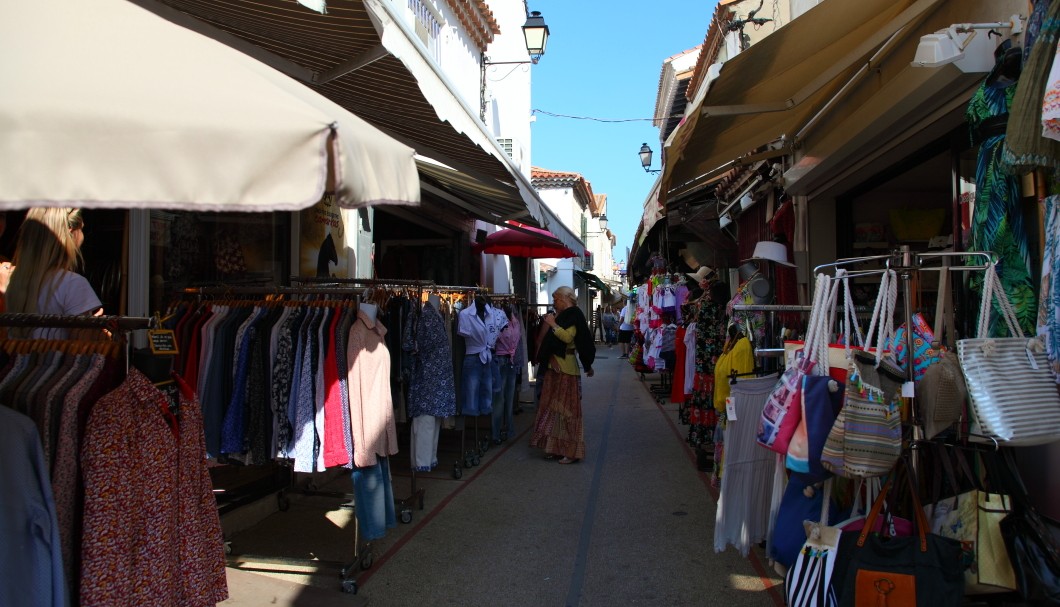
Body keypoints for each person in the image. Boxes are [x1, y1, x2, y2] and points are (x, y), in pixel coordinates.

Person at [6, 208, 102, 339]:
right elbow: (83, 346)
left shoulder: (15, 280)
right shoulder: (72, 284)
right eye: (82, 229)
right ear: (70, 231)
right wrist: (98, 329)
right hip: (54, 358)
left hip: (19, 359)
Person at [529, 286, 595, 464]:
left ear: (565, 298)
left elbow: (568, 338)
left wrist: (552, 324)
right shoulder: (561, 315)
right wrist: (550, 357)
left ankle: (571, 451)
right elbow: (550, 343)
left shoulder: (574, 314)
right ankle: (556, 447)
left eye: (556, 299)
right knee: (553, 409)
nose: (554, 302)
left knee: (568, 411)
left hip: (567, 370)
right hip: (554, 368)